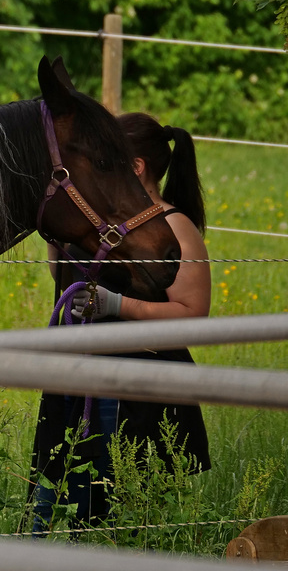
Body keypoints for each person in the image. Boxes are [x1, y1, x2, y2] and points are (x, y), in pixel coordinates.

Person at [30, 112, 212, 532]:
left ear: (136, 168)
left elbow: (192, 314)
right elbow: (67, 278)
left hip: (139, 384)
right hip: (75, 372)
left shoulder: (175, 227)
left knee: (121, 508)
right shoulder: (98, 221)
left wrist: (116, 306)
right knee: (54, 492)